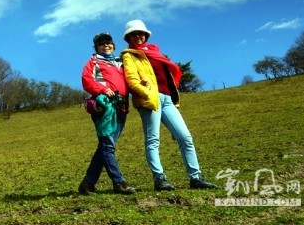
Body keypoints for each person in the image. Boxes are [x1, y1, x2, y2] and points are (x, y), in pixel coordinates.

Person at [120, 20, 217, 191]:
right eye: (134, 34)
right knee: (153, 140)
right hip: (150, 99)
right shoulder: (129, 55)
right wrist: (147, 93)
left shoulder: (157, 53)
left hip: (167, 100)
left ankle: (196, 178)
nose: (138, 36)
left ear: (146, 35)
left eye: (141, 33)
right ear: (128, 37)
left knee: (185, 137)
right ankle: (160, 179)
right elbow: (131, 80)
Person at [78, 32, 135, 195]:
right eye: (101, 43)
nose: (106, 45)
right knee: (107, 147)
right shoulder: (93, 62)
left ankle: (87, 184)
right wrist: (104, 89)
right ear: (96, 47)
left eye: (108, 43)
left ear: (114, 45)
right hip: (105, 108)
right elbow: (87, 81)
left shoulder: (120, 63)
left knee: (105, 147)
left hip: (121, 107)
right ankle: (119, 182)